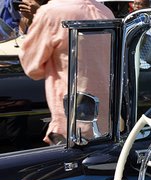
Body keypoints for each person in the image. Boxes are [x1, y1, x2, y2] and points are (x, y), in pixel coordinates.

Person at [18, 0, 113, 145]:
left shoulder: (51, 12)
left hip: (71, 126)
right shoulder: (105, 12)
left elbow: (32, 68)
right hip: (108, 124)